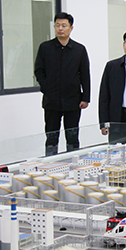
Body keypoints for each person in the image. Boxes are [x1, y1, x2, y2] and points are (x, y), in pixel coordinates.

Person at [34, 12, 90, 156]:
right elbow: (38, 70)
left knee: (72, 135)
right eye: (57, 25)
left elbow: (85, 74)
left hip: (73, 100)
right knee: (51, 136)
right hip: (51, 100)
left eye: (64, 25)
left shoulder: (79, 49)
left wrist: (85, 97)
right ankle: (50, 162)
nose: (60, 28)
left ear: (71, 28)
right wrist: (46, 87)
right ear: (54, 27)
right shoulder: (45, 47)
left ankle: (73, 161)